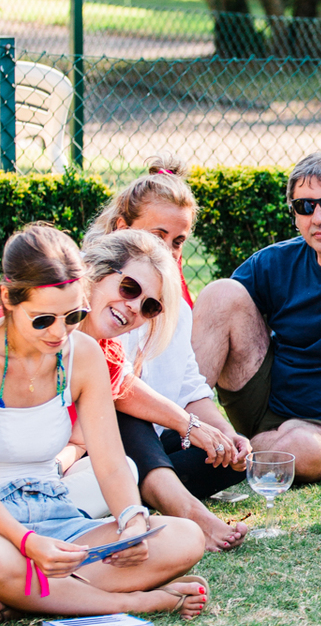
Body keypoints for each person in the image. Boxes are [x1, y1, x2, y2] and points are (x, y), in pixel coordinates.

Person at [0, 224, 208, 626]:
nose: (58, 332)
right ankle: (136, 601)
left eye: (73, 316)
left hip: (56, 513)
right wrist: (27, 544)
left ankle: (29, 597)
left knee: (183, 537)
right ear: (8, 299)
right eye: (43, 319)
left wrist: (132, 519)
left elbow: (110, 462)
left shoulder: (83, 353)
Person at [0, 228, 241, 553]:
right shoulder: (7, 330)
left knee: (125, 474)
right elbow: (129, 392)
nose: (133, 308)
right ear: (95, 275)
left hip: (25, 498)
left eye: (149, 306)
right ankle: (28, 542)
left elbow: (122, 397)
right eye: (129, 288)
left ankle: (21, 546)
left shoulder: (97, 353)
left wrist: (192, 427)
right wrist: (189, 425)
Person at [191, 151, 321, 482]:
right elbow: (221, 320)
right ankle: (180, 427)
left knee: (299, 446)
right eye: (305, 207)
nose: (318, 218)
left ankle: (228, 451)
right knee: (220, 292)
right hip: (264, 403)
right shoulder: (273, 263)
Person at [84, 169, 251, 546]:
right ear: (122, 227)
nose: (169, 251)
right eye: (157, 236)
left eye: (178, 242)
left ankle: (148, 487)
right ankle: (188, 511)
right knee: (129, 417)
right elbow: (118, 389)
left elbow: (191, 388)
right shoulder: (96, 294)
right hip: (95, 436)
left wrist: (224, 435)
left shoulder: (172, 309)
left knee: (226, 460)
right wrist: (192, 426)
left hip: (149, 442)